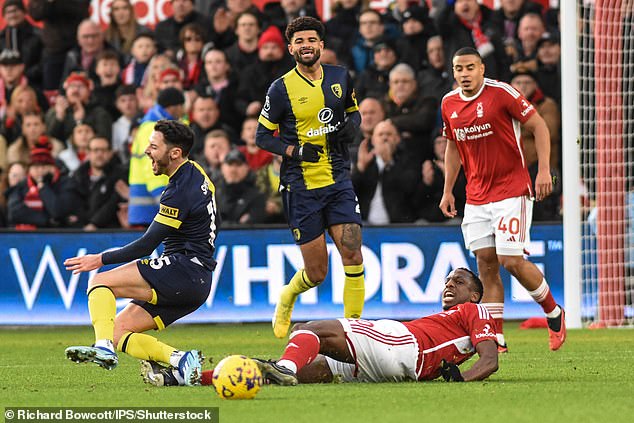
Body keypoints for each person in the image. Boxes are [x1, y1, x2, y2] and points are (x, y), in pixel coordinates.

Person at [142, 267, 498, 386]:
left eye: (460, 281)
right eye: (447, 280)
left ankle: (284, 365)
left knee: (308, 328)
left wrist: (460, 380)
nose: (449, 285)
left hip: (402, 345)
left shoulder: (474, 311)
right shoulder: (452, 320)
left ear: (476, 294)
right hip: (392, 368)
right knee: (282, 370)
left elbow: (489, 361)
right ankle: (181, 378)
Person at [64, 119, 218, 386]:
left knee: (100, 282)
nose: (147, 151)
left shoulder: (179, 191)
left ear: (175, 153)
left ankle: (102, 348)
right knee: (118, 330)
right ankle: (180, 360)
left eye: (153, 146)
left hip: (184, 270)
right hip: (197, 281)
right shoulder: (195, 172)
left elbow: (147, 245)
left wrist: (99, 259)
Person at [438, 47, 566, 351]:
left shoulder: (502, 93)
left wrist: (543, 170)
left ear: (482, 69)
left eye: (470, 68)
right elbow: (453, 147)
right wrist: (447, 190)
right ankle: (495, 336)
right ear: (453, 72)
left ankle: (554, 312)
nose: (465, 74)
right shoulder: (448, 103)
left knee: (510, 260)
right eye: (459, 69)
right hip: (477, 196)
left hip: (512, 190)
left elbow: (539, 126)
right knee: (486, 264)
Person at [255, 16, 365, 338]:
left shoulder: (340, 77)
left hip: (338, 180)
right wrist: (294, 152)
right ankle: (288, 296)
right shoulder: (280, 89)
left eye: (311, 40)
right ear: (291, 48)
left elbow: (353, 112)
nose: (306, 46)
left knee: (353, 251)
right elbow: (262, 137)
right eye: (299, 42)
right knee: (317, 273)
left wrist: (353, 127)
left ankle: (354, 331)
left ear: (321, 45)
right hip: (301, 186)